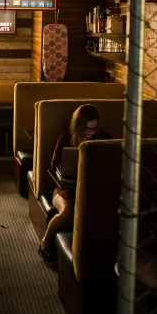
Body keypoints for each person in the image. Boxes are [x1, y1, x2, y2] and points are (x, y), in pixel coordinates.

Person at [39, 104, 111, 266]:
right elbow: (53, 167)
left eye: (93, 128)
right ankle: (45, 243)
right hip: (64, 190)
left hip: (92, 190)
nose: (90, 133)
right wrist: (64, 186)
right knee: (68, 213)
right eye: (86, 129)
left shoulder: (104, 138)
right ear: (78, 126)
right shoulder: (65, 139)